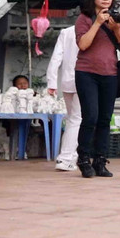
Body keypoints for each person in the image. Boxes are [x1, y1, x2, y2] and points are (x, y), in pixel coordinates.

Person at [74, 0, 120, 179]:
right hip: (86, 73)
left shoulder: (115, 19)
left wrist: (116, 29)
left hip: (110, 73)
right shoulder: (84, 19)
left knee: (105, 119)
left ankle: (100, 160)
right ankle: (83, 159)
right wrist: (97, 23)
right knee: (90, 117)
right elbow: (83, 44)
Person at [46, 25, 82, 171]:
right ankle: (66, 157)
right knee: (76, 119)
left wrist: (52, 82)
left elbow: (56, 58)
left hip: (67, 81)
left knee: (73, 119)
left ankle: (70, 156)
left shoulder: (66, 32)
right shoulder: (93, 29)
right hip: (84, 80)